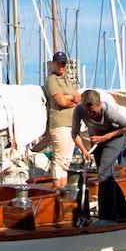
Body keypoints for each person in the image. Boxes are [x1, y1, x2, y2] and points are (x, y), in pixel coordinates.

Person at [72, 88, 126, 224]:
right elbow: (75, 133)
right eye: (88, 112)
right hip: (97, 140)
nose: (91, 115)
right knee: (107, 176)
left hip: (114, 138)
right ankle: (124, 212)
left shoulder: (108, 111)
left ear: (100, 105)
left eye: (94, 112)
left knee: (104, 171)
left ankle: (108, 216)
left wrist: (105, 137)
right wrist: (84, 150)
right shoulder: (79, 110)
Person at [43, 51, 79, 187]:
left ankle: (63, 189)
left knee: (66, 160)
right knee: (59, 160)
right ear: (53, 64)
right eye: (58, 63)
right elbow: (61, 102)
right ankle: (58, 190)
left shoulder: (67, 80)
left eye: (63, 63)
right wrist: (72, 100)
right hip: (60, 123)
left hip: (71, 123)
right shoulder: (52, 80)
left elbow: (79, 97)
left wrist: (69, 98)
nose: (61, 66)